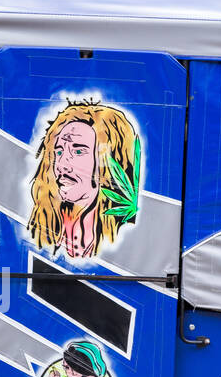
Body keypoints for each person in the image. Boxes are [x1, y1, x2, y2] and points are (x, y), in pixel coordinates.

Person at [27, 101, 140, 259]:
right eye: (59, 152)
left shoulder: (124, 234)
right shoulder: (44, 227)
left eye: (78, 151)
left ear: (108, 161)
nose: (62, 164)